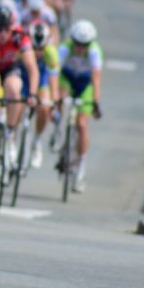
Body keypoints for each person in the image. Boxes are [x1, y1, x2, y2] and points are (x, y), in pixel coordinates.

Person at [0, 5, 38, 168]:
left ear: (12, 28)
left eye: (6, 29)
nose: (1, 34)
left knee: (13, 88)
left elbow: (32, 68)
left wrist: (33, 94)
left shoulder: (20, 37)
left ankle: (10, 132)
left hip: (10, 69)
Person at [57, 19, 102, 193]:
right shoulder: (65, 48)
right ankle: (59, 128)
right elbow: (55, 70)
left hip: (84, 84)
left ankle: (81, 166)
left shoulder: (94, 52)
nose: (80, 48)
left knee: (82, 124)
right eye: (77, 44)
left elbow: (96, 79)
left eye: (84, 45)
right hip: (67, 78)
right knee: (61, 96)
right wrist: (56, 100)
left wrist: (96, 102)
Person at [26, 21, 59, 168]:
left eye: (41, 48)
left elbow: (53, 80)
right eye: (35, 48)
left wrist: (54, 102)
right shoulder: (24, 49)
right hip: (25, 77)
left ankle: (37, 140)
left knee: (45, 107)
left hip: (43, 80)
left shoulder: (51, 52)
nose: (38, 52)